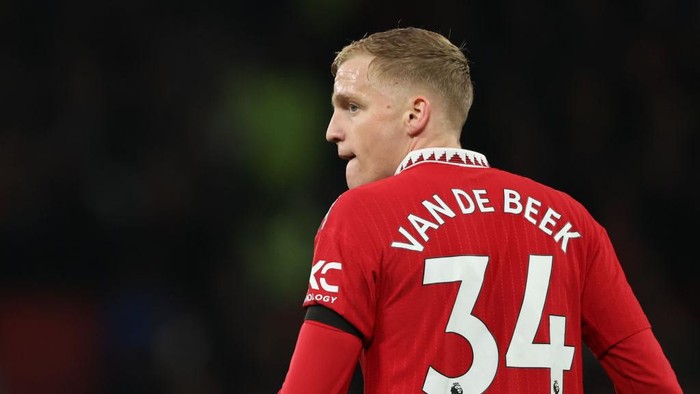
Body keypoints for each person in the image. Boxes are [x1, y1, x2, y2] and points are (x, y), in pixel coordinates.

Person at [278, 27, 682, 393]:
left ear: (415, 115)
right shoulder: (573, 222)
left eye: (351, 106)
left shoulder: (361, 216)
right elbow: (656, 386)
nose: (332, 130)